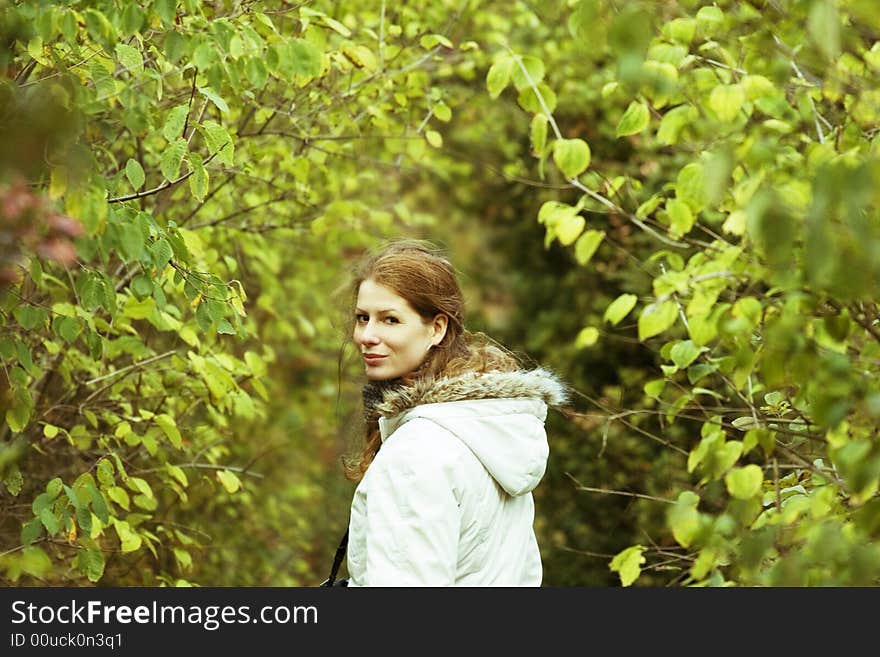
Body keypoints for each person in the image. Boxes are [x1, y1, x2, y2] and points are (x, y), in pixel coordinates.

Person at [340, 239, 568, 586]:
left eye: (390, 319)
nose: (367, 335)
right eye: (362, 318)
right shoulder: (487, 427)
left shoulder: (417, 453)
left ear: (437, 328)